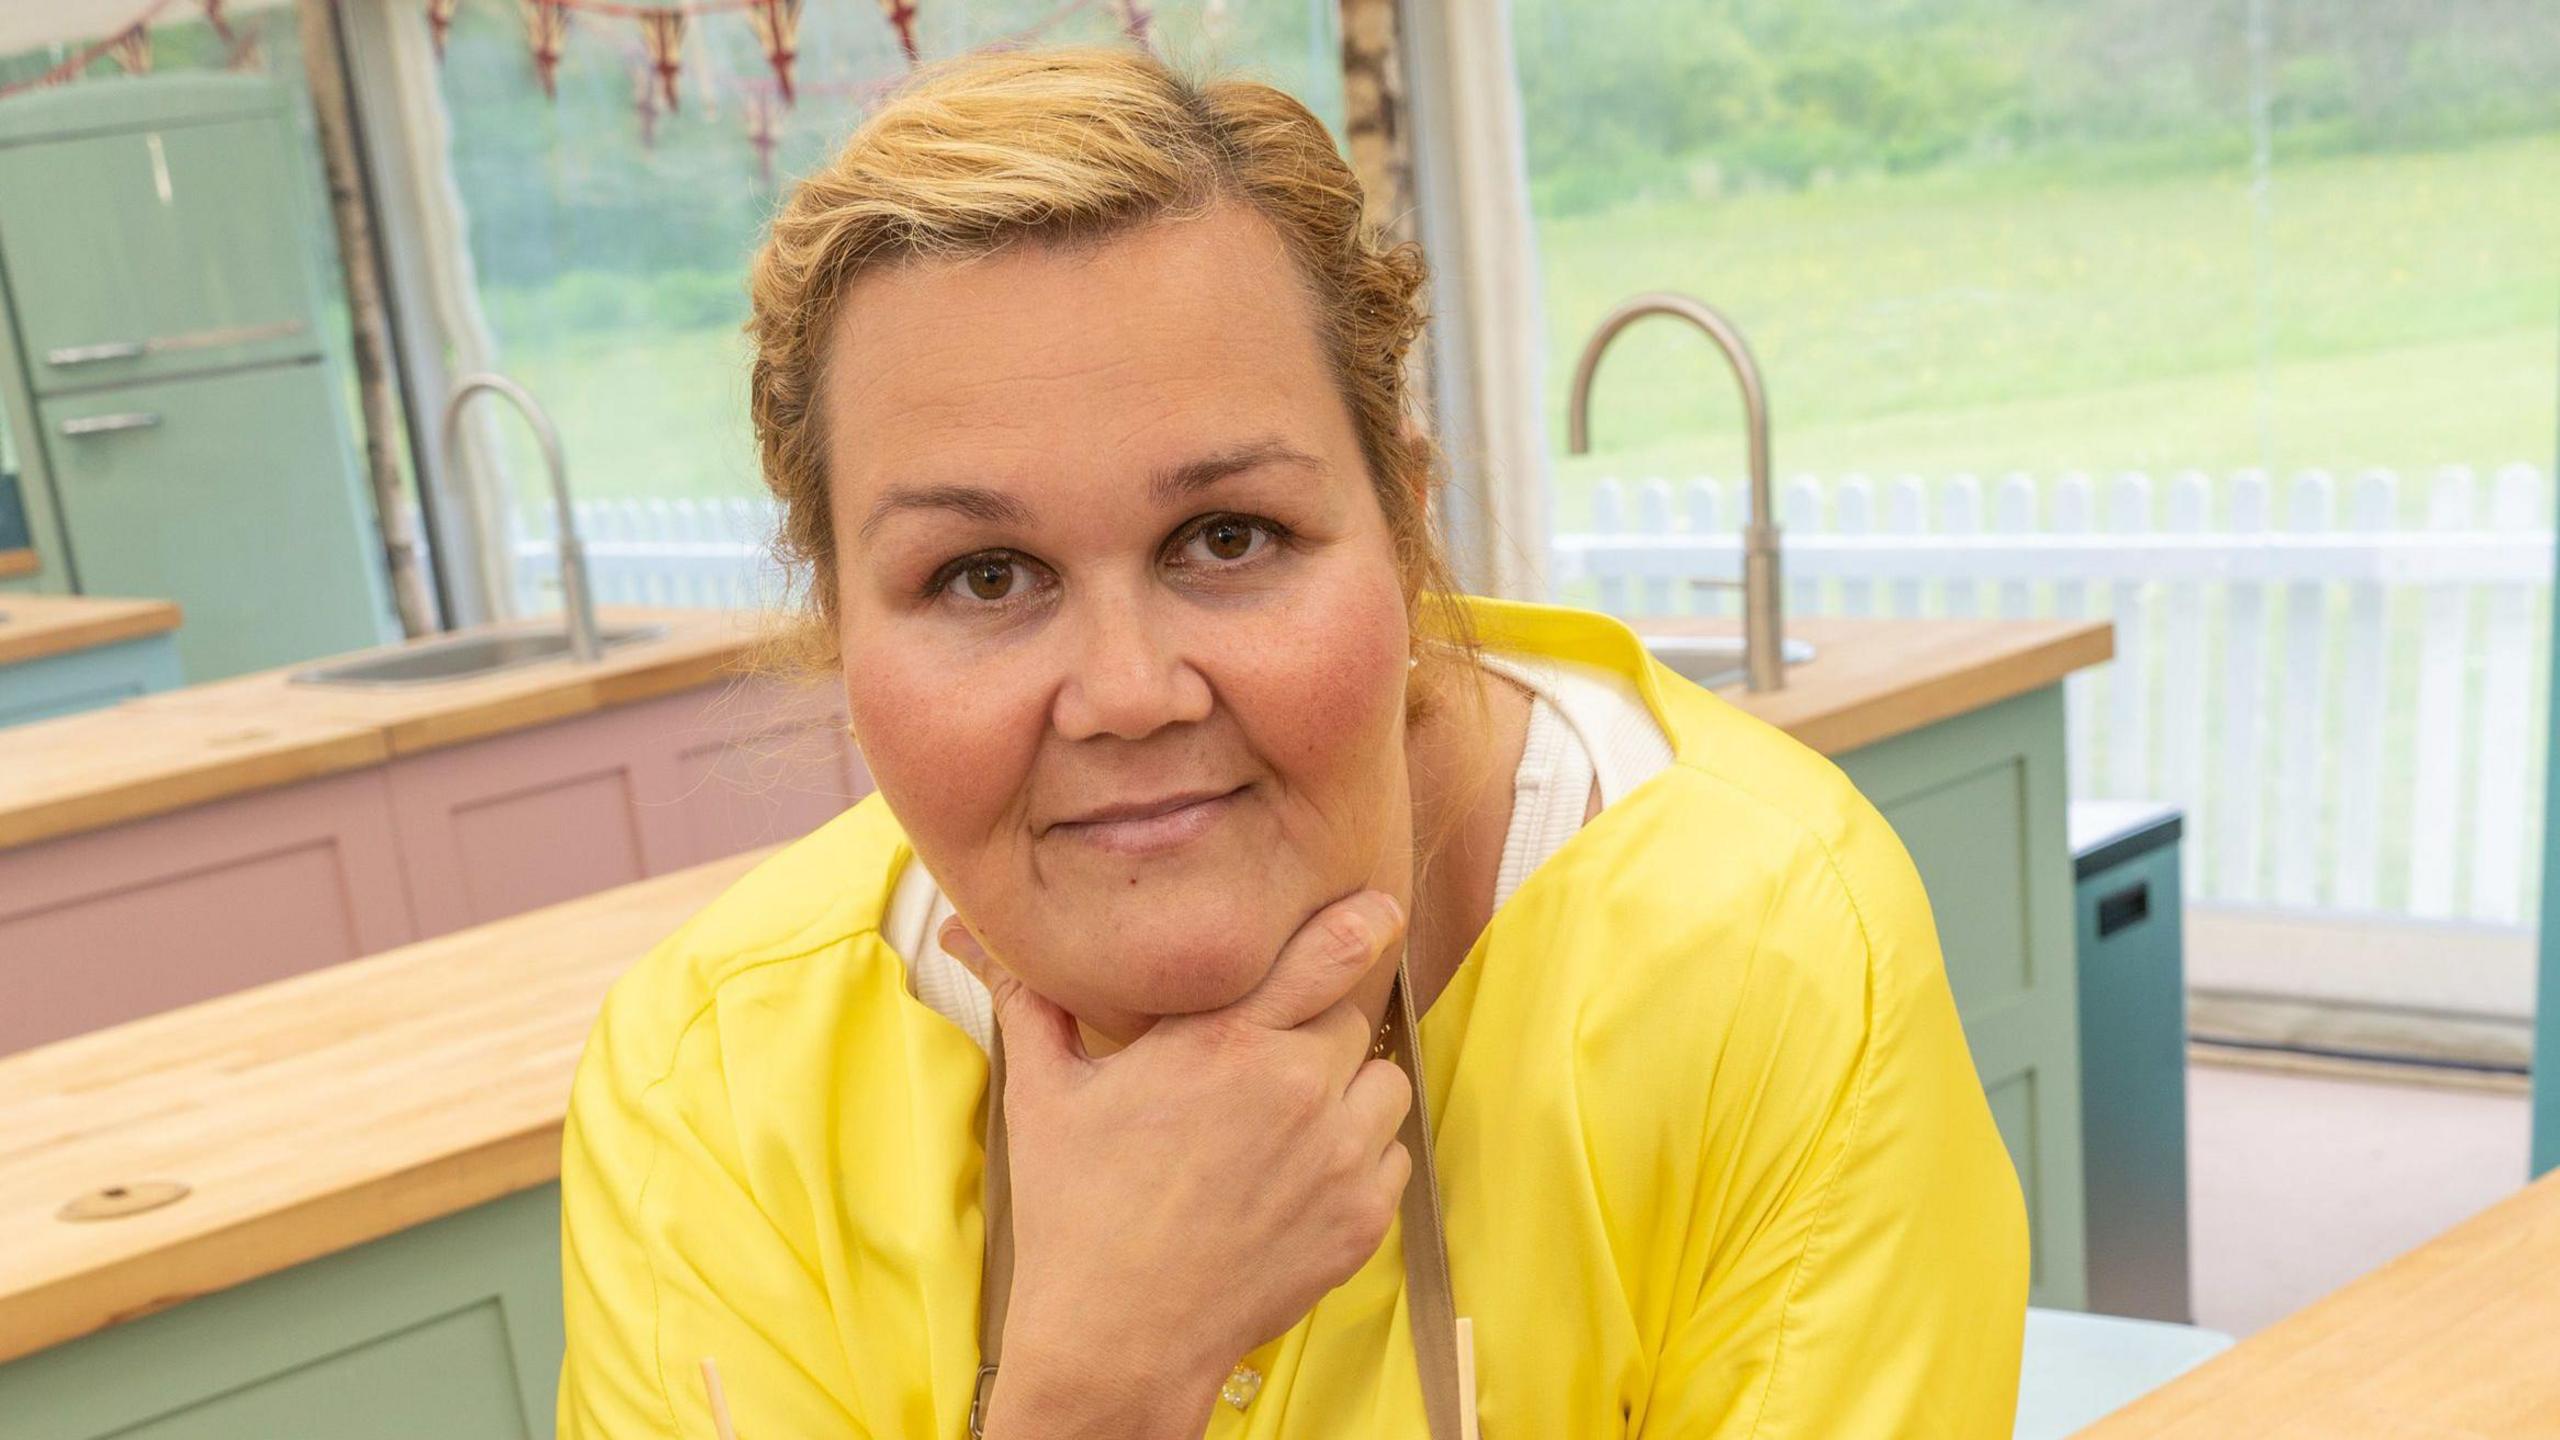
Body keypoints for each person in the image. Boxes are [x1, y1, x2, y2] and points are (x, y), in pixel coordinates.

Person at [556, 44, 2027, 1440]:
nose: (1127, 693)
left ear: (1405, 521)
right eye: (983, 577)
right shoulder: (711, 1088)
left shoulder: (1760, 956)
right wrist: (1101, 1386)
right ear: (839, 626)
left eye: (1227, 536)